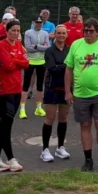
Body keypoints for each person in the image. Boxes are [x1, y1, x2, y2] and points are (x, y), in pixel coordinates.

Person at [65, 17, 98, 172]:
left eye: (91, 31)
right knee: (85, 125)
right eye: (85, 30)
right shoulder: (76, 45)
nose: (87, 33)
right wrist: (68, 91)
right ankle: (88, 160)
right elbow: (68, 68)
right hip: (80, 93)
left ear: (97, 31)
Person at [0, 20, 29, 172]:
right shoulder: (1, 45)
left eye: (17, 30)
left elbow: (27, 64)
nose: (15, 33)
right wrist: (19, 61)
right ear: (6, 31)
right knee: (6, 125)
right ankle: (11, 158)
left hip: (16, 90)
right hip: (5, 90)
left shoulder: (19, 45)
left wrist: (18, 61)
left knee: (7, 126)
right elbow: (8, 65)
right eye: (12, 30)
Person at [40, 25, 72, 162]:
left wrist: (62, 66)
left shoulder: (70, 50)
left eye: (63, 33)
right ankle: (45, 149)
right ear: (54, 35)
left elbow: (72, 67)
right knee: (50, 118)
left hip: (66, 88)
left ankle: (60, 147)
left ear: (66, 35)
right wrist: (66, 66)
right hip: (52, 88)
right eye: (58, 33)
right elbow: (52, 68)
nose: (61, 35)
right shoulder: (49, 51)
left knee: (63, 118)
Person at [24, 17, 51, 118]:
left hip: (41, 61)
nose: (39, 24)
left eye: (40, 22)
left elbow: (48, 47)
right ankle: (23, 108)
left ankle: (38, 108)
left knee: (40, 85)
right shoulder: (28, 32)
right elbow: (28, 48)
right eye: (37, 22)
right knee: (26, 85)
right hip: (30, 61)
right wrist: (41, 47)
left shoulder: (45, 33)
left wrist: (36, 46)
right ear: (33, 22)